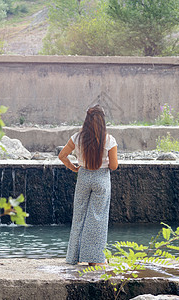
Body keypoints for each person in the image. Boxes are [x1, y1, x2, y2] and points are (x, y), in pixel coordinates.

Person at [58, 104, 118, 266]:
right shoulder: (109, 140)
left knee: (79, 217)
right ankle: (95, 259)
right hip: (101, 179)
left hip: (83, 177)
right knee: (97, 219)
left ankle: (73, 258)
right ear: (103, 121)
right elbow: (113, 166)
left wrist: (73, 168)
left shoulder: (77, 138)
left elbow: (62, 156)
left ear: (86, 120)